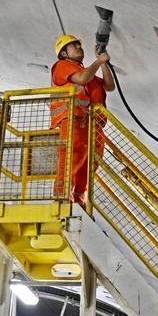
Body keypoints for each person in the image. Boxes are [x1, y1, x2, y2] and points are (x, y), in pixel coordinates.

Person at [50, 34, 115, 203]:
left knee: (89, 163)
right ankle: (60, 197)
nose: (79, 47)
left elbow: (109, 86)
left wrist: (103, 63)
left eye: (80, 45)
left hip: (93, 125)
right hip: (74, 120)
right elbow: (81, 79)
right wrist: (98, 62)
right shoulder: (62, 66)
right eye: (74, 46)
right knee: (71, 157)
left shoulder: (88, 72)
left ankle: (78, 199)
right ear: (64, 53)